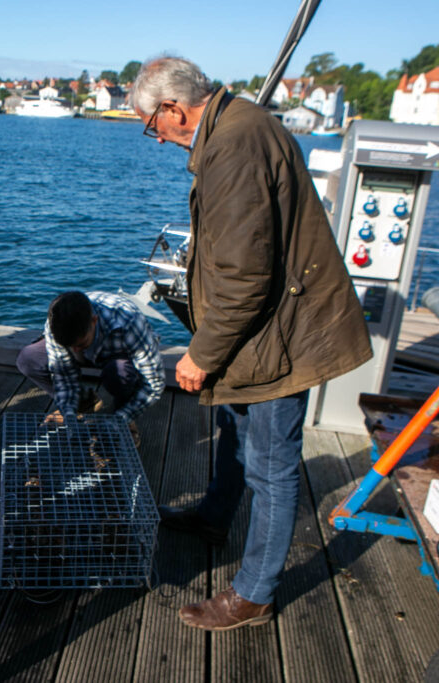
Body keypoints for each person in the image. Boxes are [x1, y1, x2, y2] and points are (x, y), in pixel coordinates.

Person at [131, 57, 372, 631]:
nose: (156, 136)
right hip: (266, 326)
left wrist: (201, 355)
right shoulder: (237, 123)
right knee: (237, 429)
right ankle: (216, 515)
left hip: (280, 335)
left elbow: (245, 278)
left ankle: (255, 594)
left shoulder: (234, 147)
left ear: (173, 108)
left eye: (152, 124)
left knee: (272, 466)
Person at [16, 291, 165, 444]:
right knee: (29, 359)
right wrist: (68, 413)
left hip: (115, 355)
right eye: (68, 346)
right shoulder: (55, 322)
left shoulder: (129, 322)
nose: (75, 351)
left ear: (94, 321)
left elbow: (154, 383)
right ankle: (83, 402)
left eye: (80, 344)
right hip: (87, 349)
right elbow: (63, 373)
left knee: (120, 373)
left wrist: (121, 418)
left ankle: (124, 420)